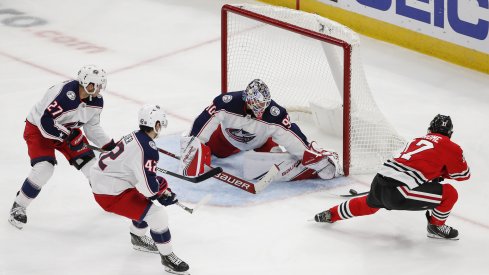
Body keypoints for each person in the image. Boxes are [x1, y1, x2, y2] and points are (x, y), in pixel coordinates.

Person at [314, 114, 470, 240]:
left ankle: (331, 213)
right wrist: (441, 172)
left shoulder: (417, 140)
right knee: (450, 193)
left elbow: (414, 164)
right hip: (400, 190)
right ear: (450, 133)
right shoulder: (452, 147)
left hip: (381, 178)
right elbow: (463, 175)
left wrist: (434, 171)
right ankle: (435, 227)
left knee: (371, 203)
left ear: (429, 130)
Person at [8, 65, 116, 230]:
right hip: (38, 129)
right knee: (44, 168)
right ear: (85, 82)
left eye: (101, 85)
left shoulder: (96, 101)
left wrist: (110, 146)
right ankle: (19, 205)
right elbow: (45, 122)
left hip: (67, 130)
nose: (99, 89)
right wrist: (68, 136)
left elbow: (92, 128)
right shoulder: (64, 94)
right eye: (96, 85)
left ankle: (108, 200)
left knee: (94, 169)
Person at [89, 104, 190, 275]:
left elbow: (142, 180)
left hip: (108, 181)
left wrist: (158, 189)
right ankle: (167, 258)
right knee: (158, 216)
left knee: (147, 202)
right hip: (110, 192)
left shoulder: (135, 136)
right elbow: (149, 188)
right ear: (156, 124)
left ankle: (137, 237)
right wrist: (163, 194)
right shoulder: (148, 148)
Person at [179, 79, 342, 181]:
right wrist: (194, 141)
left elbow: (292, 136)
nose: (260, 110)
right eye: (256, 105)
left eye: (263, 105)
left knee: (274, 164)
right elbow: (205, 119)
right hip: (225, 140)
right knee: (203, 150)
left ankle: (309, 169)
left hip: (261, 144)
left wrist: (309, 155)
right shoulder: (227, 103)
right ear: (247, 99)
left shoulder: (274, 114)